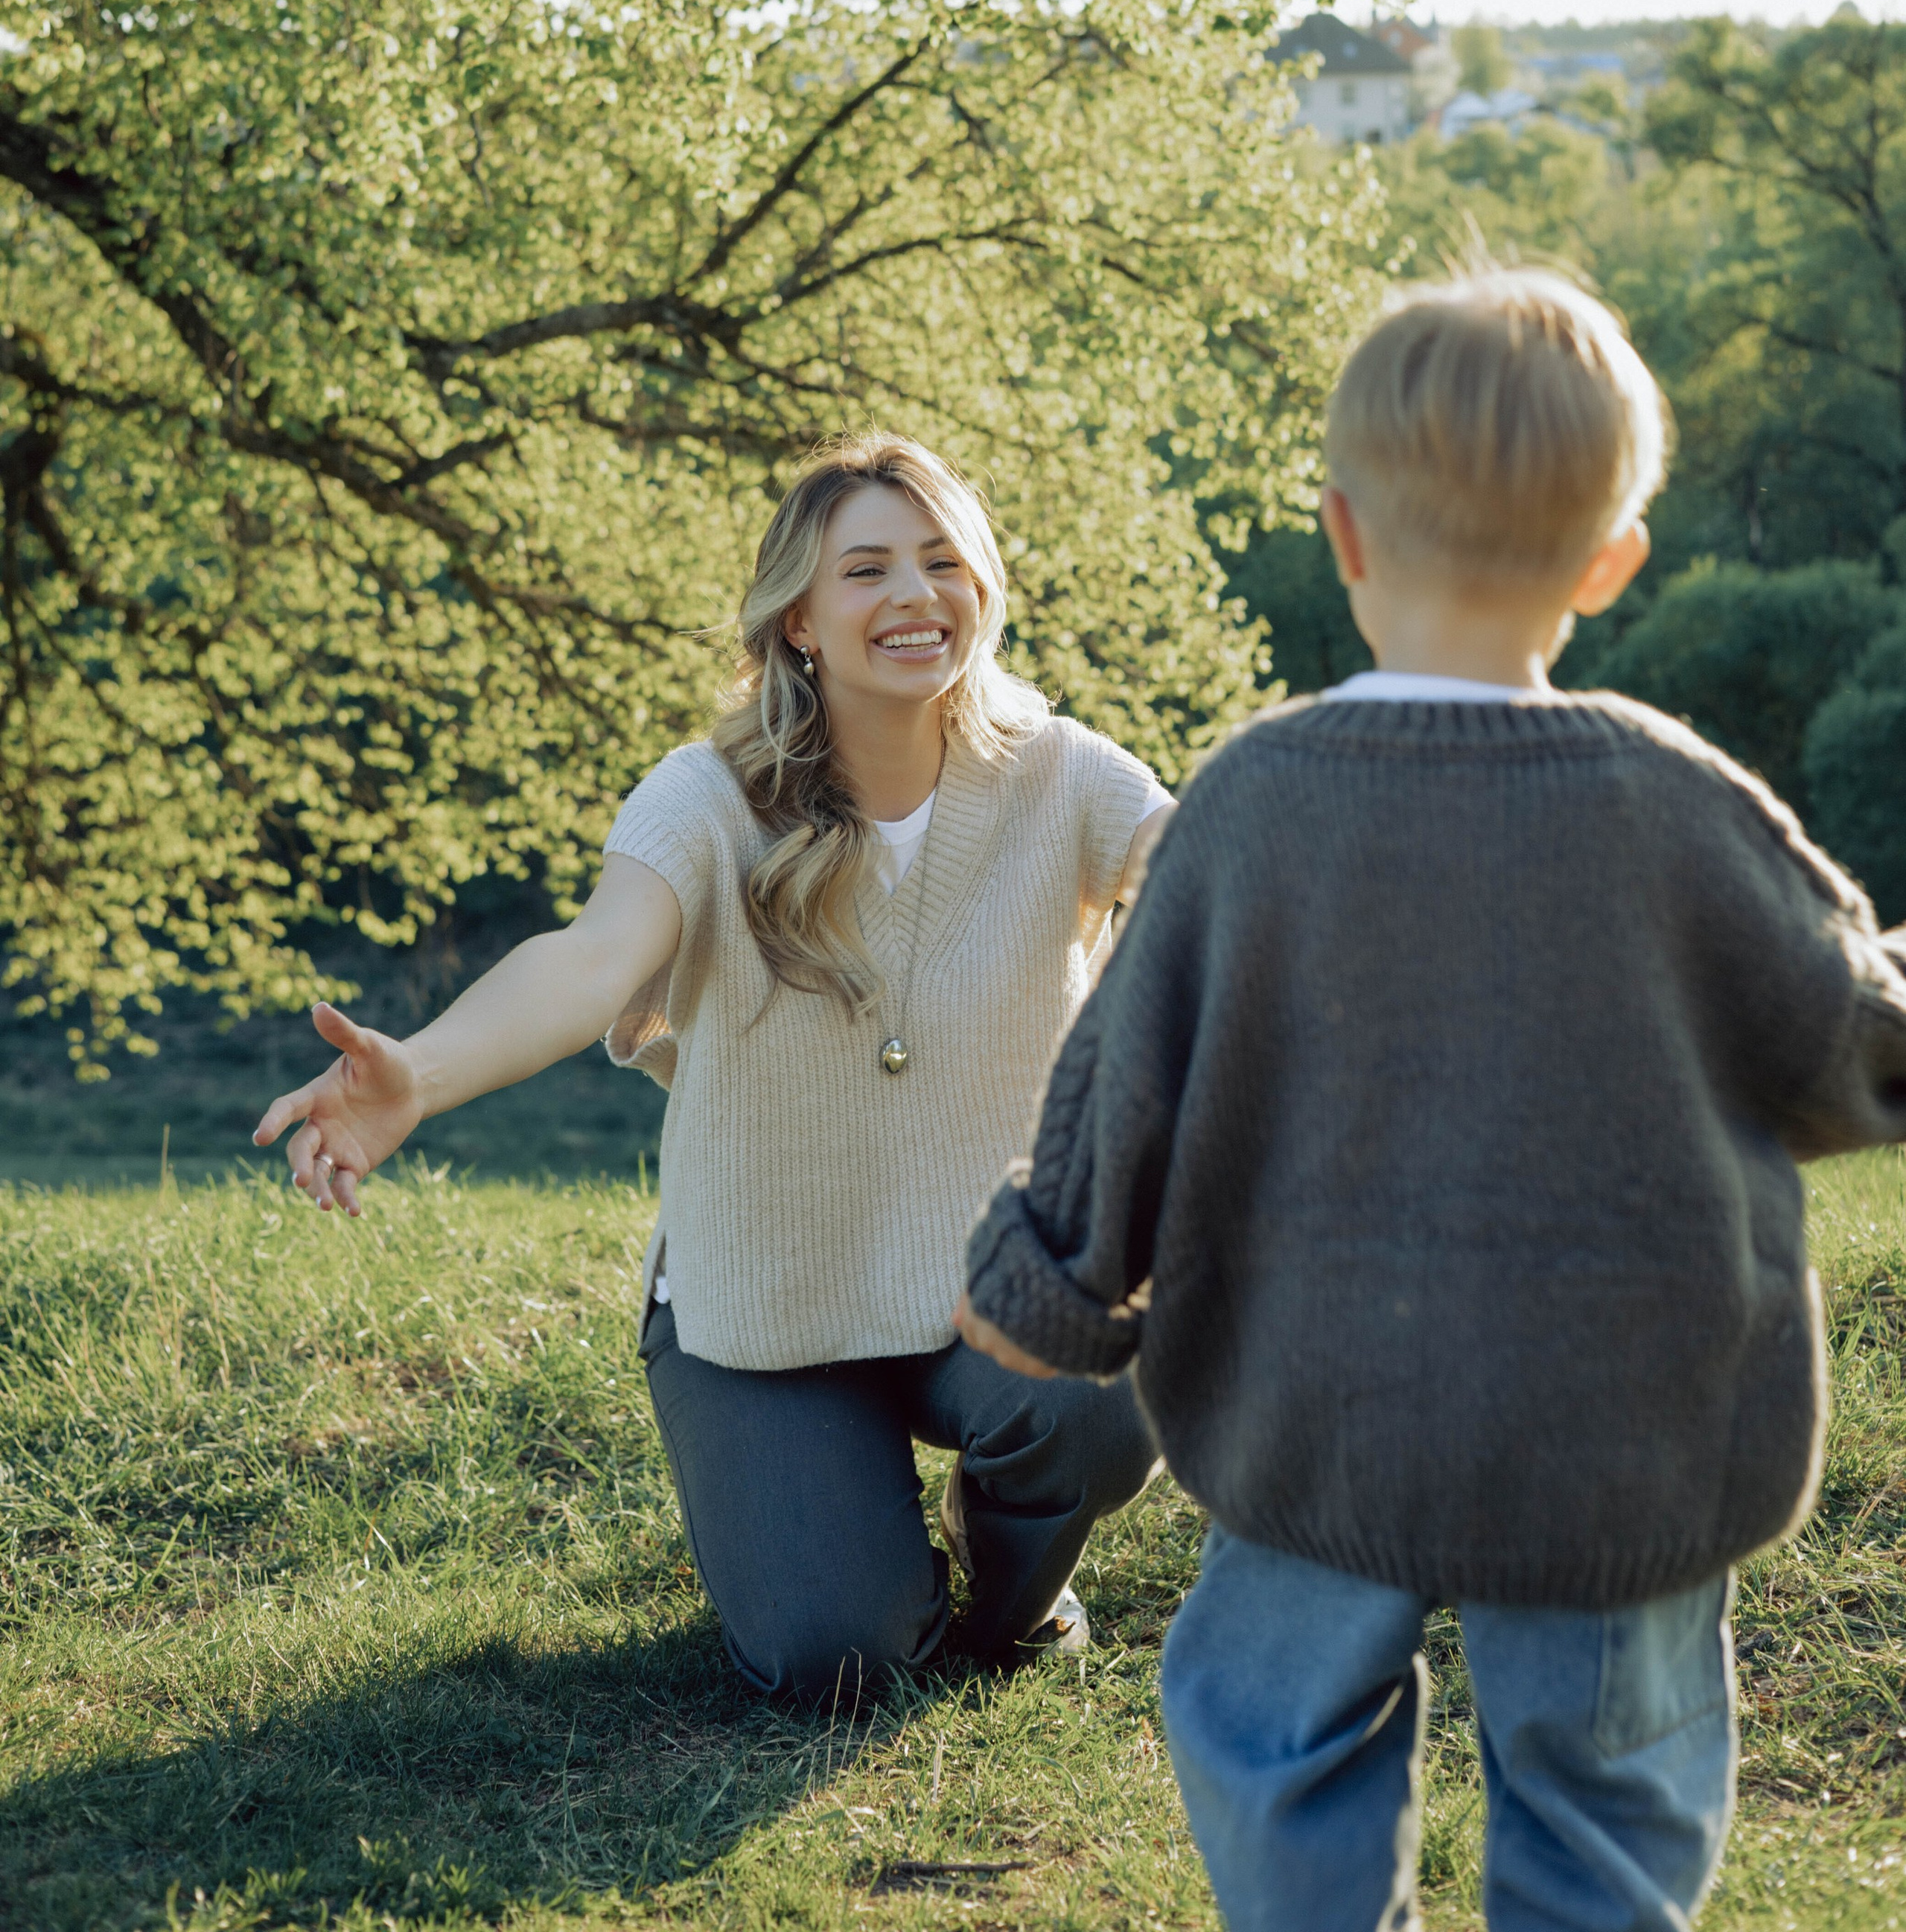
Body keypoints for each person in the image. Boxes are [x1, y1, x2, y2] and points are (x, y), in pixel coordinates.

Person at [957, 269, 1906, 1932]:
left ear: (1338, 534)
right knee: (1610, 1786)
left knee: (1273, 1733)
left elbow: (1122, 1071)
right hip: (1627, 1421)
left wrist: (1053, 1279)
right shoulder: (1674, 799)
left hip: (1316, 1402)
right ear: (1611, 562)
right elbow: (1847, 1044)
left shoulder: (1249, 805)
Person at [255, 432, 1170, 1698]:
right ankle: (859, 1569)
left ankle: (1013, 1595)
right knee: (838, 1663)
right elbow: (585, 965)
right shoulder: (705, 797)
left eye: (942, 561)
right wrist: (420, 1069)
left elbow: (1214, 881)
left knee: (1103, 1389)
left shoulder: (1064, 774)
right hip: (763, 1305)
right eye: (867, 571)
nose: (914, 595)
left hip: (986, 1287)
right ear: (798, 617)